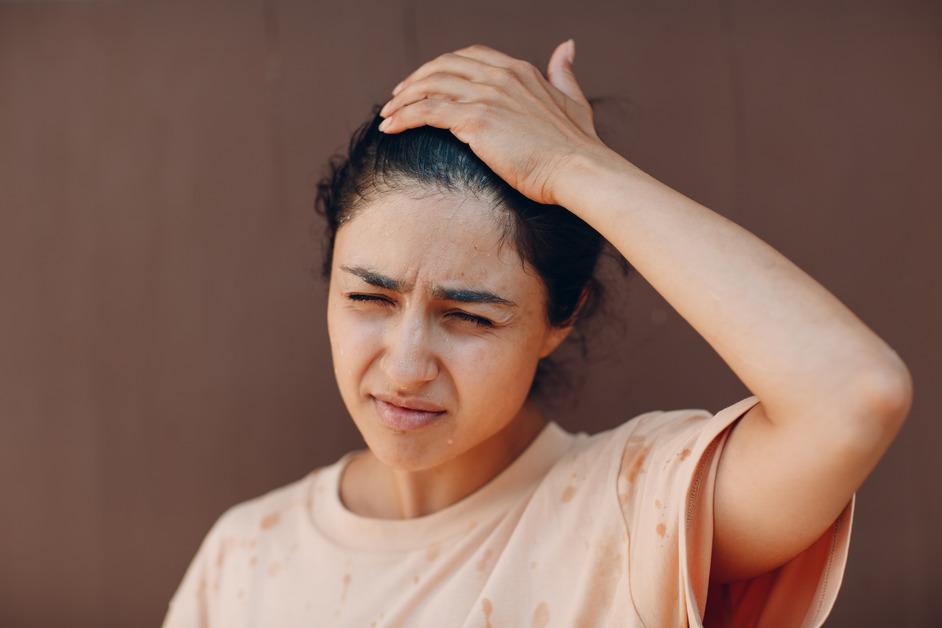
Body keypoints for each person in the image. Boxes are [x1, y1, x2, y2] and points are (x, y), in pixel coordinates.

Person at [161, 40, 913, 627]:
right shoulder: (246, 554)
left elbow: (855, 395)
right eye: (369, 297)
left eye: (469, 316)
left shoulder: (629, 512)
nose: (407, 362)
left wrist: (576, 167)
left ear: (563, 317)